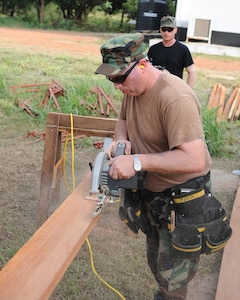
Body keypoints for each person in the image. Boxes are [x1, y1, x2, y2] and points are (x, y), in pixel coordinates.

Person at [95, 33, 231, 300]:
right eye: (111, 79)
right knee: (157, 262)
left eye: (120, 78)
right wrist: (122, 142)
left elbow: (195, 159)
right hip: (155, 195)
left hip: (182, 198)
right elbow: (122, 120)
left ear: (143, 65)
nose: (116, 86)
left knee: (174, 277)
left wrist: (137, 161)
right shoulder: (132, 88)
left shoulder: (175, 97)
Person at [148, 15, 196, 88]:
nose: (166, 33)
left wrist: (188, 92)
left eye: (170, 29)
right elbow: (147, 70)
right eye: (164, 29)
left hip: (175, 90)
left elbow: (192, 72)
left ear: (175, 30)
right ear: (160, 30)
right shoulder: (153, 49)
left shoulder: (183, 50)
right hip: (156, 90)